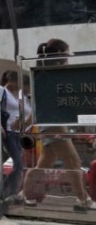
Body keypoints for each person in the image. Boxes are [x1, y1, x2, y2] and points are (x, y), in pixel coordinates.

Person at [18, 39, 96, 211]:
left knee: (42, 165)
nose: (69, 57)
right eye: (67, 54)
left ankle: (22, 195)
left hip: (52, 124)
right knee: (73, 162)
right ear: (60, 55)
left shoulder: (45, 75)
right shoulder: (49, 76)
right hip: (54, 126)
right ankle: (84, 200)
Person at [0, 69, 29, 202]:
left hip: (16, 133)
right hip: (8, 132)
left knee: (18, 163)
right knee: (18, 163)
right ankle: (6, 191)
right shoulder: (1, 90)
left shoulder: (15, 95)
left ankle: (8, 191)